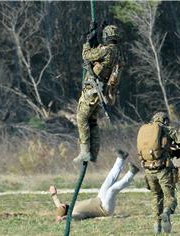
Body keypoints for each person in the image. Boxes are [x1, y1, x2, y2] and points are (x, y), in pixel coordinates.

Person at [73, 24, 120, 163]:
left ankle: (85, 151)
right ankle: (94, 152)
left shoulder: (106, 50)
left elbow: (86, 56)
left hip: (92, 90)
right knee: (92, 121)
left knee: (81, 119)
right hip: (101, 91)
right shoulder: (117, 52)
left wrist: (87, 42)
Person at [137, 112, 180, 234]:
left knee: (156, 196)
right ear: (165, 120)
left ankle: (157, 226)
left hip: (148, 170)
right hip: (163, 170)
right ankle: (166, 213)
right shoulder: (167, 129)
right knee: (170, 198)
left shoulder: (146, 130)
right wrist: (176, 151)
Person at [50, 149, 139, 221]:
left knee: (108, 180)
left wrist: (54, 195)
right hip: (105, 209)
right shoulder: (76, 213)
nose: (63, 203)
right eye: (64, 206)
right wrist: (63, 219)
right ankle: (131, 173)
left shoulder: (70, 205)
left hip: (99, 199)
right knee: (112, 190)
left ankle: (121, 158)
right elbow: (74, 217)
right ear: (66, 211)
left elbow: (58, 205)